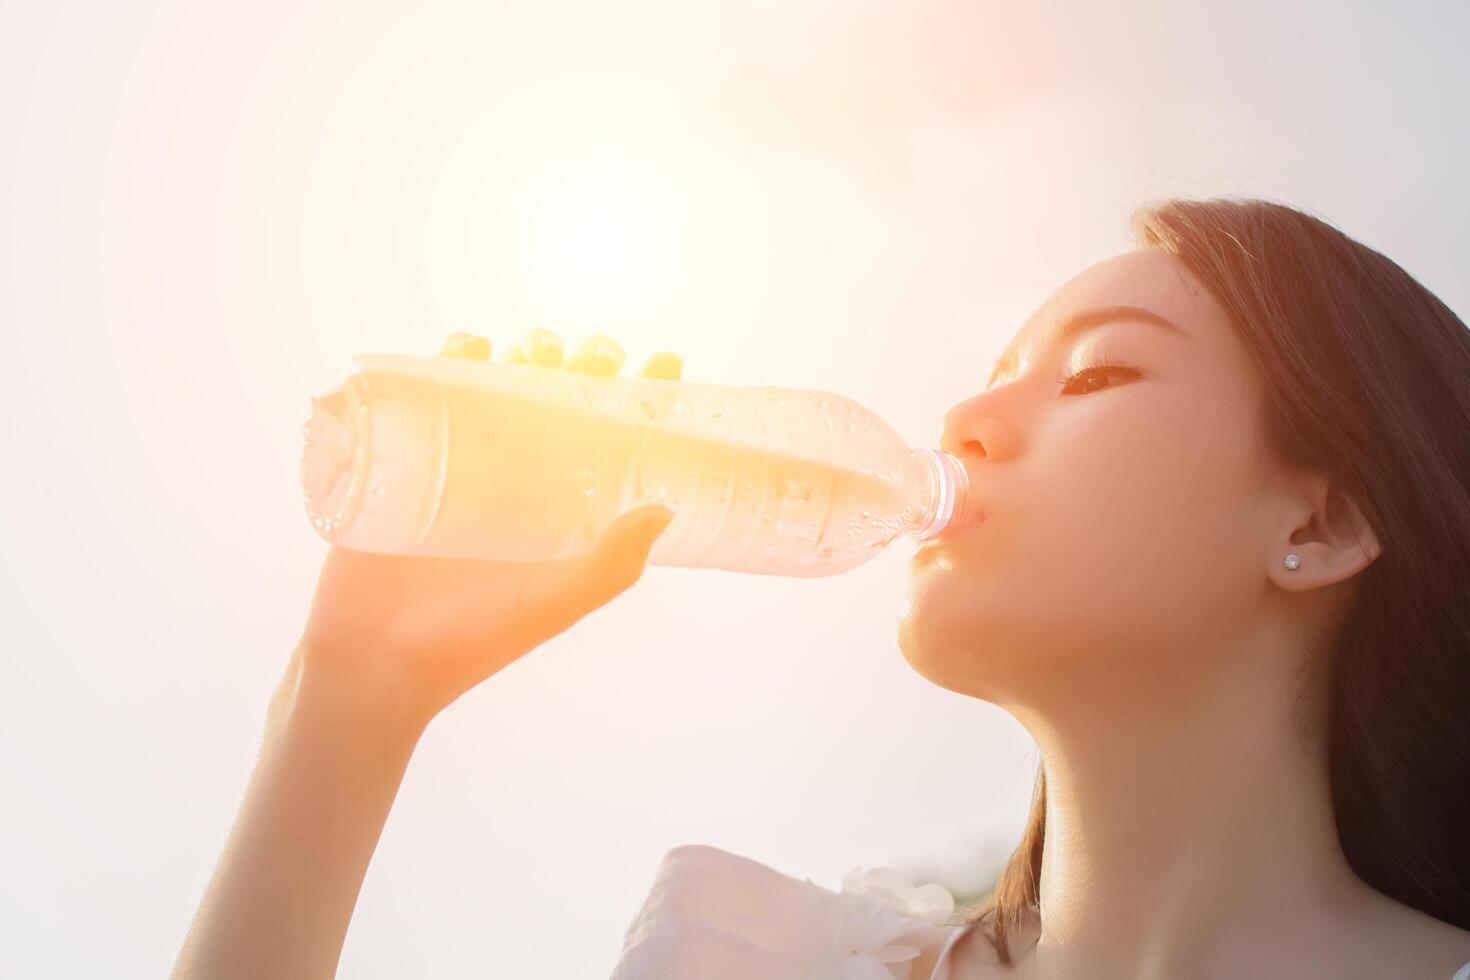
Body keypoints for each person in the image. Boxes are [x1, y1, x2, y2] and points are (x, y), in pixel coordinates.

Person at [172, 198, 1470, 979]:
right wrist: (349, 701)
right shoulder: (760, 961)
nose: (965, 415)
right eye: (991, 369)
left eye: (1093, 377)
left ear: (1320, 519)